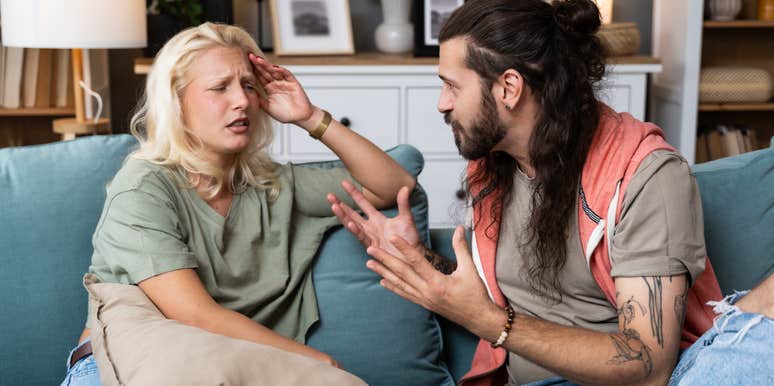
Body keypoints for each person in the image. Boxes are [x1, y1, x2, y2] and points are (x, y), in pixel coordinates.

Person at [327, 1, 774, 385]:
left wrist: (488, 323)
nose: (442, 103)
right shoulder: (493, 165)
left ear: (508, 87)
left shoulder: (645, 177)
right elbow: (490, 295)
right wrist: (418, 258)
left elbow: (650, 366)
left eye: (451, 86)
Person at [59, 22, 415, 385]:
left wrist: (310, 118)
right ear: (176, 101)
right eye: (219, 88)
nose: (242, 101)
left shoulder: (273, 186)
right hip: (114, 368)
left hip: (234, 367)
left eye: (248, 85)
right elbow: (194, 315)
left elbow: (394, 185)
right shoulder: (143, 189)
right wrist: (317, 362)